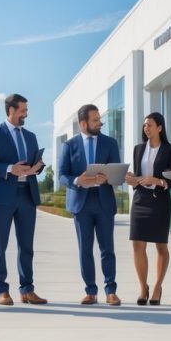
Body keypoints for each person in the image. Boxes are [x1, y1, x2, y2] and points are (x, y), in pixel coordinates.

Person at [0, 93, 48, 306]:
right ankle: (1, 289)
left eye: (26, 111)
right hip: (3, 197)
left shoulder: (30, 136)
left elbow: (35, 163)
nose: (26, 114)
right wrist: (11, 169)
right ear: (11, 110)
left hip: (27, 195)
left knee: (27, 246)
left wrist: (37, 168)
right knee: (1, 245)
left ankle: (27, 289)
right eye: (23, 111)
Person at [58, 104, 122, 305]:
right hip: (81, 204)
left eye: (99, 119)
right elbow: (62, 175)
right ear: (83, 123)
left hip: (104, 202)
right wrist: (78, 181)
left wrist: (108, 177)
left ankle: (110, 290)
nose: (100, 123)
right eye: (95, 120)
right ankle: (90, 291)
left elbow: (117, 173)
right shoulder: (69, 145)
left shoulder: (110, 143)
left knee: (107, 249)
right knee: (85, 249)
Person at [124, 112, 171, 306]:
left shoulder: (169, 150)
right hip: (140, 199)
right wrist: (131, 179)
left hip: (159, 200)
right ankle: (142, 287)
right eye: (144, 125)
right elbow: (138, 176)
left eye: (150, 125)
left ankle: (157, 287)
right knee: (137, 245)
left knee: (160, 246)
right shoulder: (138, 149)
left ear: (160, 128)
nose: (146, 128)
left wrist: (157, 181)